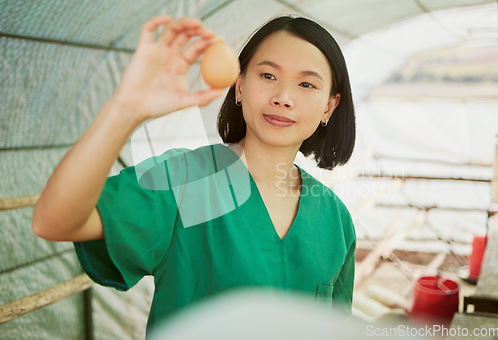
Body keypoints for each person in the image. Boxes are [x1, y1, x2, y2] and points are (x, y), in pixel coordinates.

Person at [32, 14, 356, 336]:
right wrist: (126, 108)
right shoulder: (189, 183)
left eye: (306, 84)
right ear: (240, 85)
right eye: (268, 75)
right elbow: (54, 220)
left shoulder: (334, 218)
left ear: (329, 106)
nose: (283, 97)